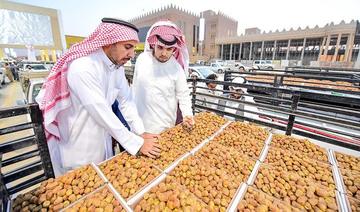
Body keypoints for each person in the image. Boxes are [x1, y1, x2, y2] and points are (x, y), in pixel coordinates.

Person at [36, 18, 161, 176]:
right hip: (79, 155)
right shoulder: (83, 67)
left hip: (104, 149)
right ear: (109, 42)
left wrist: (141, 132)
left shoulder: (116, 67)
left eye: (133, 48)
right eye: (127, 47)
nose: (131, 54)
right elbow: (101, 111)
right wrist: (136, 144)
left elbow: (126, 100)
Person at [132, 20, 194, 134]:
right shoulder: (142, 60)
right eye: (160, 47)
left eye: (169, 49)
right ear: (153, 45)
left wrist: (188, 115)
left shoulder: (177, 69)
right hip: (139, 127)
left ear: (174, 49)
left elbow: (184, 95)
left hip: (164, 128)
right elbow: (134, 88)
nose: (164, 53)